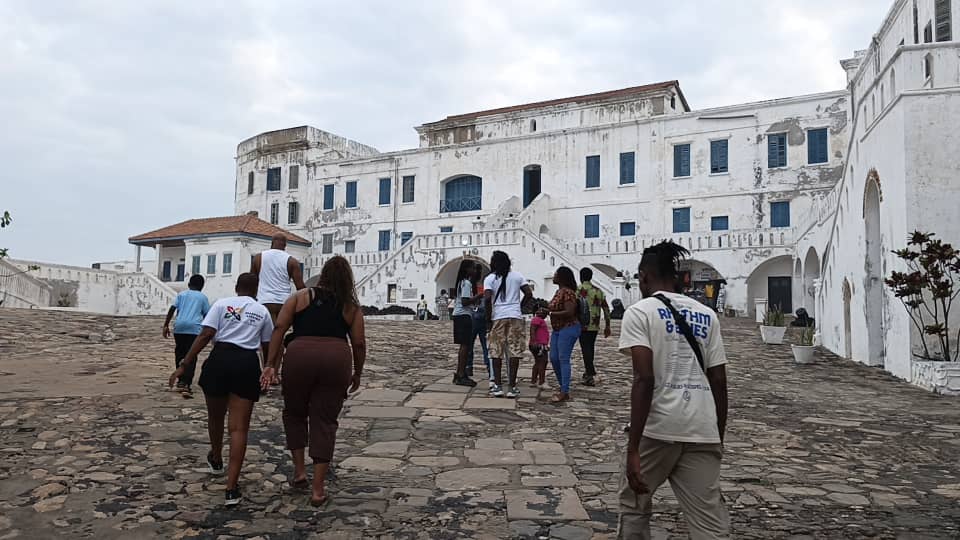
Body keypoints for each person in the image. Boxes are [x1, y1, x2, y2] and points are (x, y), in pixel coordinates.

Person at [617, 241, 729, 539]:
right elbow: (718, 381)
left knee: (635, 503)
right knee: (709, 521)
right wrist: (717, 436)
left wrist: (633, 449)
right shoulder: (707, 315)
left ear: (643, 276)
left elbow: (644, 379)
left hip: (659, 429)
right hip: (702, 428)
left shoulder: (640, 313)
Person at [261, 256, 365, 507]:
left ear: (323, 274)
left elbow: (279, 329)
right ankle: (318, 489)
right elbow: (359, 343)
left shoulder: (300, 297)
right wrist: (357, 372)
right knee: (326, 420)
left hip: (299, 355)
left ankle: (299, 472)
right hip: (336, 358)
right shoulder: (350, 306)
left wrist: (270, 364)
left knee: (295, 413)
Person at [168, 273, 273, 507]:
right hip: (246, 363)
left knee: (215, 417)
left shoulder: (221, 304)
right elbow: (267, 345)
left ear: (236, 287)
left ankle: (216, 457)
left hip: (219, 360)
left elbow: (205, 335)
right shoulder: (262, 311)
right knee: (238, 428)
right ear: (257, 290)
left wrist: (184, 365)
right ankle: (231, 488)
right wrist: (269, 368)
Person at [484, 251, 533, 399]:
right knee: (514, 350)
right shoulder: (518, 276)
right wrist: (520, 306)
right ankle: (512, 387)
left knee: (496, 351)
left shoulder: (490, 278)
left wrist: (488, 319)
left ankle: (498, 386)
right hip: (515, 316)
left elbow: (487, 299)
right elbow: (529, 294)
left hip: (498, 316)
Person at [162, 274, 210, 398]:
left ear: (189, 284)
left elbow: (172, 309)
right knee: (191, 355)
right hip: (194, 329)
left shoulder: (181, 295)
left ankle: (180, 379)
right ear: (202, 286)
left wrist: (166, 325)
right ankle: (186, 382)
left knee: (180, 352)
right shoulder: (203, 297)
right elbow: (207, 315)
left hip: (180, 328)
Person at [251, 233, 306, 324]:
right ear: (285, 245)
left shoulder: (258, 258)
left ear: (271, 243)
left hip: (264, 301)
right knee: (279, 333)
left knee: (266, 334)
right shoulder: (292, 261)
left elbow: (252, 281)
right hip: (284, 303)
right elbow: (300, 287)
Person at [547, 266, 581, 403]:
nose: (554, 275)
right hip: (558, 329)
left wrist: (550, 313)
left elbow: (569, 312)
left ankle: (564, 390)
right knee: (554, 357)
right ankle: (563, 386)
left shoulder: (568, 293)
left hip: (568, 328)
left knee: (563, 358)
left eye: (556, 274)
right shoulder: (559, 291)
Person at [578, 267, 612, 387]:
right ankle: (588, 372)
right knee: (590, 348)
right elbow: (606, 309)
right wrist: (608, 325)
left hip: (582, 324)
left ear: (581, 277)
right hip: (595, 324)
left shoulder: (578, 290)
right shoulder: (598, 291)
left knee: (585, 348)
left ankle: (590, 373)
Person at [451, 260, 479, 386]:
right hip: (463, 315)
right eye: (473, 268)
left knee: (465, 345)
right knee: (465, 346)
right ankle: (461, 374)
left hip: (459, 315)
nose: (475, 271)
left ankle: (460, 372)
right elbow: (465, 301)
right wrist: (479, 296)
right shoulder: (466, 283)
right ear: (467, 269)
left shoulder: (461, 282)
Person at [468, 265, 492, 384]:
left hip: (477, 317)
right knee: (479, 345)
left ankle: (470, 367)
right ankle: (487, 368)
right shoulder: (473, 286)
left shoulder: (479, 286)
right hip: (477, 317)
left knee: (481, 345)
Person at [529, 306, 550, 389]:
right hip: (539, 345)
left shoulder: (540, 320)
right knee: (543, 362)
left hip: (541, 344)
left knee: (538, 362)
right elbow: (532, 330)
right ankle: (541, 381)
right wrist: (534, 341)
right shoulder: (537, 319)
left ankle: (533, 381)